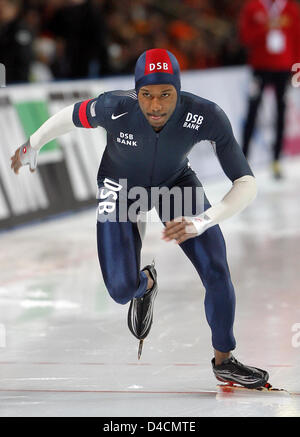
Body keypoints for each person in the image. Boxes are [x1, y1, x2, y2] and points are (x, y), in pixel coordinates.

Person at [11, 48, 270, 389]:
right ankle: (145, 284)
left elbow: (246, 183)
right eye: (147, 95)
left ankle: (225, 360)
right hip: (119, 188)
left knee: (216, 269)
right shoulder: (114, 107)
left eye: (166, 94)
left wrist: (204, 220)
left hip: (175, 185)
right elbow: (71, 115)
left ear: (179, 90)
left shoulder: (206, 115)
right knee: (120, 291)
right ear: (136, 92)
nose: (156, 106)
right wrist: (34, 143)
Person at [239, 0, 300, 179]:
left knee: (281, 113)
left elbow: (297, 39)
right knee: (252, 111)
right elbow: (245, 37)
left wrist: (296, 68)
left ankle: (276, 159)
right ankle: (243, 161)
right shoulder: (253, 7)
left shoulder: (289, 8)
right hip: (260, 68)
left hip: (283, 69)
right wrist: (266, 26)